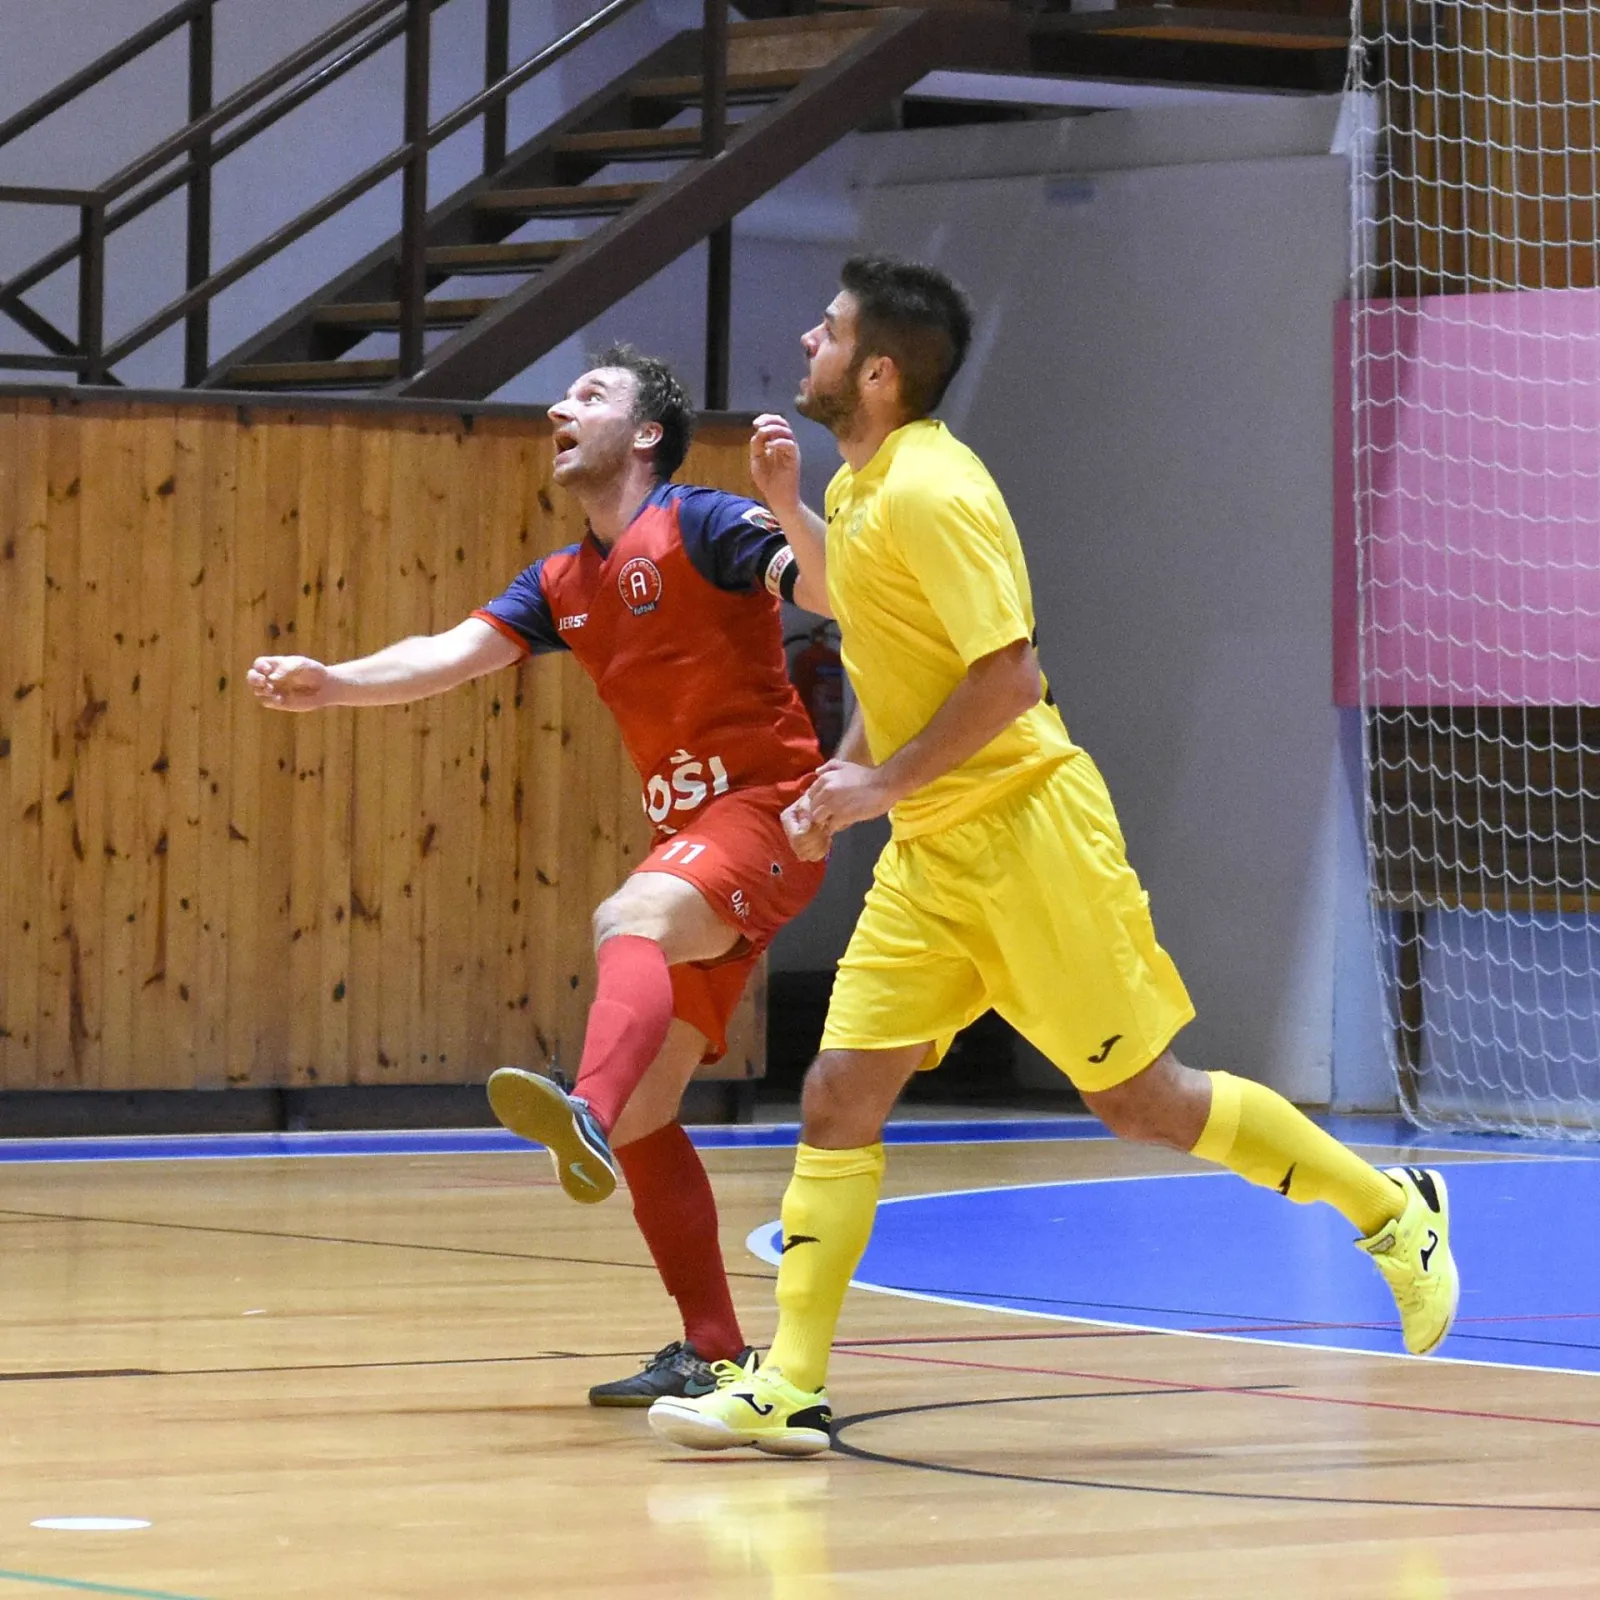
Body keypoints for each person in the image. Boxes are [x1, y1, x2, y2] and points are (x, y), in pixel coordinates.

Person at [647, 255, 1461, 1458]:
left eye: (827, 331)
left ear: (877, 371)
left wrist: (877, 782)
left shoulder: (935, 490)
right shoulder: (864, 484)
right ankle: (792, 1384)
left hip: (1030, 835)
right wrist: (847, 765)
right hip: (930, 857)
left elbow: (1008, 677)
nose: (807, 342)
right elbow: (879, 637)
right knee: (837, 1094)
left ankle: (1392, 1209)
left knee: (1143, 1102)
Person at [247, 346, 830, 1407]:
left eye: (591, 395)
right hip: (697, 835)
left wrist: (790, 507)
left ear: (646, 433)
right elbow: (444, 653)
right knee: (655, 1108)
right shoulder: (562, 583)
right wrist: (333, 683)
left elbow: (830, 591)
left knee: (629, 914)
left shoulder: (706, 523)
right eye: (564, 394)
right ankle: (712, 1348)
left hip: (771, 812)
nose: (561, 406)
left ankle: (584, 1111)